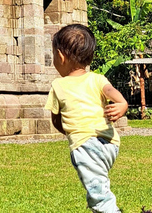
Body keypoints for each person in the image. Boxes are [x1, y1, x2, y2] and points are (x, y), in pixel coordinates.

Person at [44, 24, 128, 213]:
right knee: (99, 182)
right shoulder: (97, 79)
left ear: (61, 56)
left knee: (98, 195)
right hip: (110, 143)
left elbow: (56, 120)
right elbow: (111, 92)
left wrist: (71, 133)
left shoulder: (58, 85)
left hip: (85, 146)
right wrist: (122, 103)